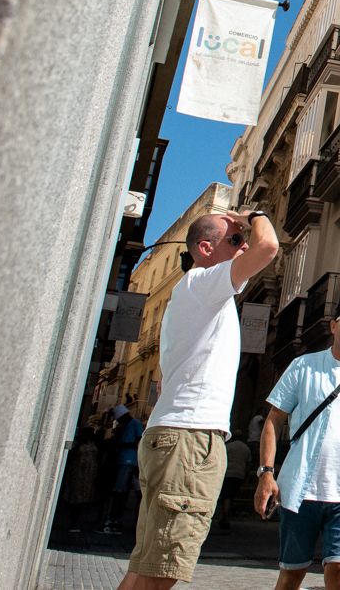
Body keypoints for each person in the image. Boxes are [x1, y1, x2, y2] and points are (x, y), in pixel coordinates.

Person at [117, 208, 279, 590]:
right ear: (206, 248)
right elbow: (269, 246)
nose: (244, 246)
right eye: (236, 240)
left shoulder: (198, 292)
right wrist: (255, 214)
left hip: (177, 435)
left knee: (147, 565)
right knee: (162, 571)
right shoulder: (203, 282)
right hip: (190, 438)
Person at [256, 295, 340, 590]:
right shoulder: (303, 367)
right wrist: (266, 473)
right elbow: (273, 420)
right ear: (333, 326)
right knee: (292, 574)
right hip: (301, 490)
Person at [103, 405, 145, 534]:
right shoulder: (124, 426)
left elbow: (139, 442)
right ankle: (116, 519)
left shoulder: (135, 423)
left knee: (121, 491)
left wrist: (122, 444)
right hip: (123, 460)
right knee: (119, 491)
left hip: (130, 461)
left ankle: (118, 521)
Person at [216, 434, 252, 531]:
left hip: (227, 474)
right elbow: (248, 463)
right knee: (230, 496)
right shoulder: (246, 448)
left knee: (226, 496)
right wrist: (246, 477)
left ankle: (225, 517)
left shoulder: (228, 447)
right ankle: (226, 515)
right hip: (239, 475)